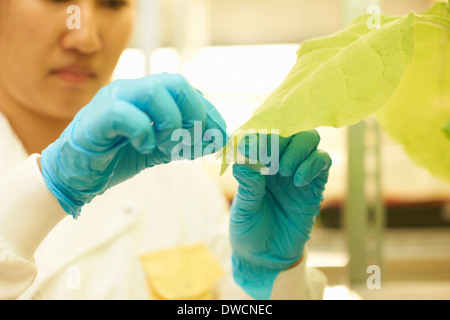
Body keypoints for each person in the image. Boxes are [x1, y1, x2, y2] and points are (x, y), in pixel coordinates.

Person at [0, 0, 331, 300]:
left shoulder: (176, 177)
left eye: (113, 4)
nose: (86, 38)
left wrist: (272, 281)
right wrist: (44, 191)